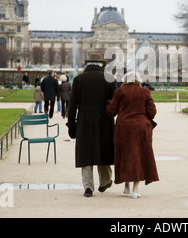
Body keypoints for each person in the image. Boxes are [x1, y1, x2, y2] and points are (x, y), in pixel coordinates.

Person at [67, 54, 117, 197]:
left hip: (84, 119)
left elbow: (72, 106)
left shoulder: (78, 79)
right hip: (104, 119)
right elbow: (115, 103)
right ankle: (104, 181)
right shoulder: (109, 79)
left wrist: (71, 125)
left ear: (87, 65)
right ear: (101, 65)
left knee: (86, 152)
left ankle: (88, 187)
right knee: (103, 150)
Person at [106, 71, 159, 199]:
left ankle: (126, 186)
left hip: (123, 127)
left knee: (125, 155)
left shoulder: (119, 92)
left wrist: (107, 103)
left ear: (125, 80)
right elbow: (152, 112)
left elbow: (112, 111)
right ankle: (135, 190)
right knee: (138, 156)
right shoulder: (144, 92)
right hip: (140, 128)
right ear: (138, 80)